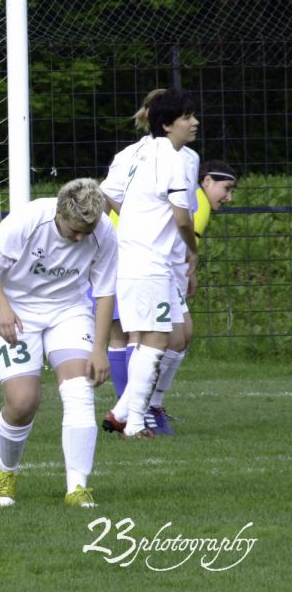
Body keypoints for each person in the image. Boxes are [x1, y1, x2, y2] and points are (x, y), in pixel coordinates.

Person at [0, 178, 117, 508]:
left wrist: (100, 348)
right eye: (75, 231)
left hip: (68, 312)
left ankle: (77, 488)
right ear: (59, 214)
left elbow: (105, 291)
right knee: (23, 401)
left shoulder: (104, 232)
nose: (81, 237)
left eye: (88, 230)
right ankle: (6, 474)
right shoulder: (30, 219)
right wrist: (3, 309)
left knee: (79, 388)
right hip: (17, 311)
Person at [100, 89, 199, 438]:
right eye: (187, 117)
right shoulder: (173, 160)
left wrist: (132, 222)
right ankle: (137, 422)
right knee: (154, 339)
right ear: (167, 124)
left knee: (168, 335)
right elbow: (184, 220)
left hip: (133, 257)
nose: (194, 122)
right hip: (150, 262)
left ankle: (122, 412)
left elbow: (109, 193)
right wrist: (193, 250)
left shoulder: (138, 152)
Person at [144, 159, 237, 432]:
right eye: (226, 188)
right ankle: (139, 407)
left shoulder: (194, 199)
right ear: (206, 180)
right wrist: (189, 273)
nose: (229, 197)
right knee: (169, 337)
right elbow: (186, 246)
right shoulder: (199, 201)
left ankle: (153, 405)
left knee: (182, 335)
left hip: (165, 269)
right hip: (154, 269)